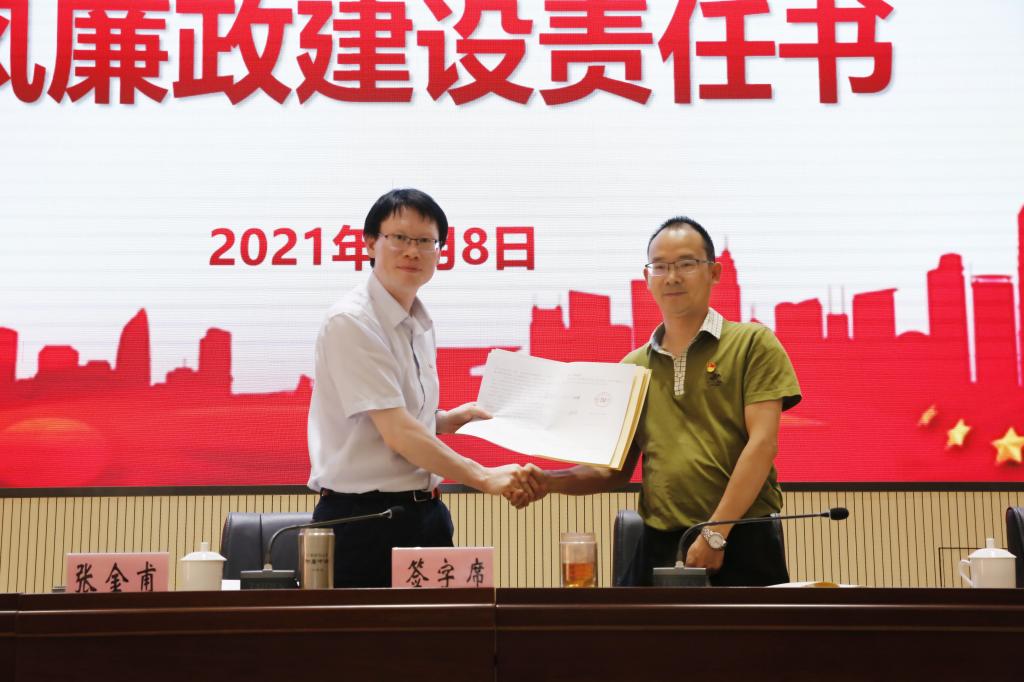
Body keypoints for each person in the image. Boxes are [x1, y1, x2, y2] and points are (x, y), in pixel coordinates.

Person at [522, 217, 801, 586]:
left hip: (741, 537)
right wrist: (548, 481)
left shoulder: (753, 343)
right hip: (659, 542)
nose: (672, 277)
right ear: (647, 277)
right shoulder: (632, 367)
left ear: (714, 272)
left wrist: (715, 534)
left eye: (686, 263)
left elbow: (762, 444)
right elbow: (614, 470)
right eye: (660, 266)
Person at [307, 188, 540, 588]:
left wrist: (446, 420)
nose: (413, 251)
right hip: (364, 523)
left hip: (424, 514)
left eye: (425, 241)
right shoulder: (352, 321)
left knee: (441, 629)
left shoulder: (417, 320)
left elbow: (395, 417)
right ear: (370, 243)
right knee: (364, 632)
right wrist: (484, 477)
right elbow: (398, 433)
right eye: (399, 238)